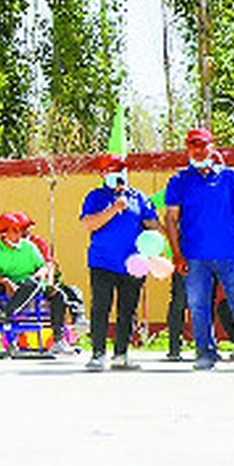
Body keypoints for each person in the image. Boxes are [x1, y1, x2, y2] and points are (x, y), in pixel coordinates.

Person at [164, 128, 234, 368]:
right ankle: (205, 353)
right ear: (187, 148)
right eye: (192, 145)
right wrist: (177, 253)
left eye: (202, 145)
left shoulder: (230, 177)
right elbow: (171, 218)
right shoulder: (178, 180)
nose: (198, 150)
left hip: (230, 253)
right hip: (193, 255)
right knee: (198, 306)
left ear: (212, 147)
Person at [78, 153, 158, 371]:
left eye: (121, 169)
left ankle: (121, 354)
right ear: (103, 174)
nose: (119, 174)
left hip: (133, 263)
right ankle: (98, 354)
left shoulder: (139, 197)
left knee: (128, 309)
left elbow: (152, 224)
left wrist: (155, 236)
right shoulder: (95, 196)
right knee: (101, 308)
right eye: (112, 169)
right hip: (102, 261)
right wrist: (114, 208)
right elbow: (88, 224)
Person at [0, 213, 56, 339]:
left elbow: (44, 266)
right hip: (7, 282)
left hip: (26, 284)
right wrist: (5, 282)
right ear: (4, 233)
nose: (19, 234)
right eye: (14, 231)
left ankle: (4, 315)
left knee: (33, 284)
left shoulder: (29, 247)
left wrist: (39, 274)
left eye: (19, 230)